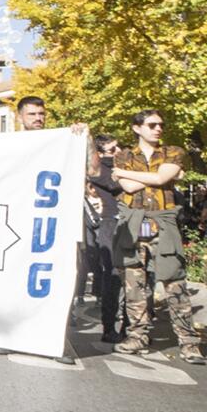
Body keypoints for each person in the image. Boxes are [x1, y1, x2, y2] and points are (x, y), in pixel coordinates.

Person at [110, 109, 204, 364]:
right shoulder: (124, 155)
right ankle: (137, 337)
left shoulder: (173, 152)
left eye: (160, 124)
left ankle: (188, 342)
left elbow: (161, 176)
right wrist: (162, 178)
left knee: (175, 282)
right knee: (134, 286)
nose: (158, 128)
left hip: (164, 223)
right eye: (151, 125)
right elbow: (129, 187)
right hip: (134, 225)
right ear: (137, 128)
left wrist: (129, 174)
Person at [83, 133, 126, 342]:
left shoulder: (129, 167)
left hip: (133, 224)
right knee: (113, 276)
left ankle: (132, 328)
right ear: (100, 154)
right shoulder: (103, 171)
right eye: (112, 150)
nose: (118, 152)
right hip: (111, 224)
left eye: (120, 148)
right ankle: (109, 328)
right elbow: (94, 168)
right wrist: (88, 138)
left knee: (139, 277)